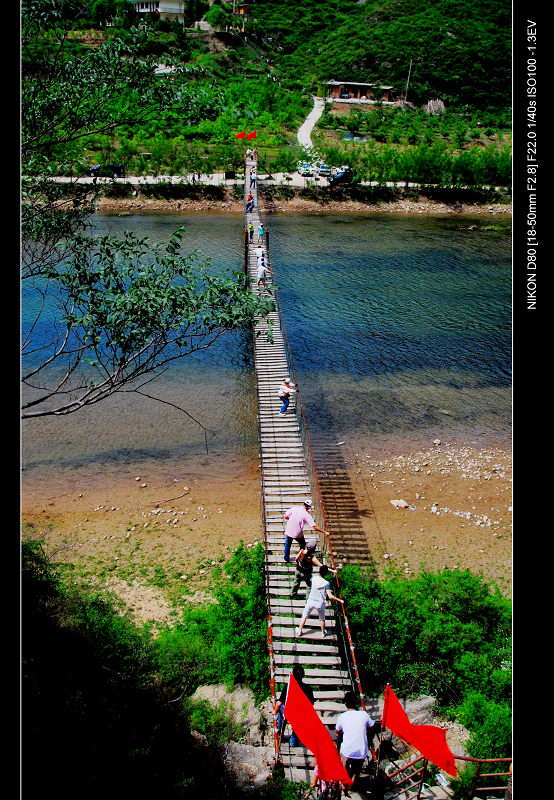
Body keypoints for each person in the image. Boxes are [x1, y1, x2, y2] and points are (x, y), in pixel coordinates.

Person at [334, 692, 376, 788]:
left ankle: (343, 784)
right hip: (361, 751)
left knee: (343, 768)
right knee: (356, 770)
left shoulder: (342, 717)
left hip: (347, 751)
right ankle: (351, 783)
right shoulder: (364, 714)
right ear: (356, 703)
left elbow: (337, 731)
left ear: (345, 704)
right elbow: (372, 726)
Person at [296, 565, 343, 639]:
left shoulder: (313, 578)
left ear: (319, 571)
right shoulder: (327, 583)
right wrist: (340, 600)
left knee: (304, 616)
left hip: (311, 600)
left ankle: (300, 631)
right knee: (322, 618)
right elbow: (330, 596)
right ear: (326, 574)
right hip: (320, 603)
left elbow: (314, 584)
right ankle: (323, 633)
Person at [274, 664, 315, 747]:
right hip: (300, 714)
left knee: (282, 709)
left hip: (289, 712)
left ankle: (279, 733)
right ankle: (293, 740)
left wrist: (274, 711)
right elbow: (311, 704)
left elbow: (280, 702)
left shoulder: (288, 687)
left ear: (292, 675)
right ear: (303, 675)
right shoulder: (308, 688)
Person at [283, 498, 328, 563]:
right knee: (302, 544)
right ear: (309, 507)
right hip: (297, 533)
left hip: (289, 530)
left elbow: (286, 516)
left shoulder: (294, 508)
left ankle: (286, 558)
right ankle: (300, 558)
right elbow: (314, 526)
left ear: (303, 504)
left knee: (287, 544)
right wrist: (324, 532)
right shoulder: (306, 515)